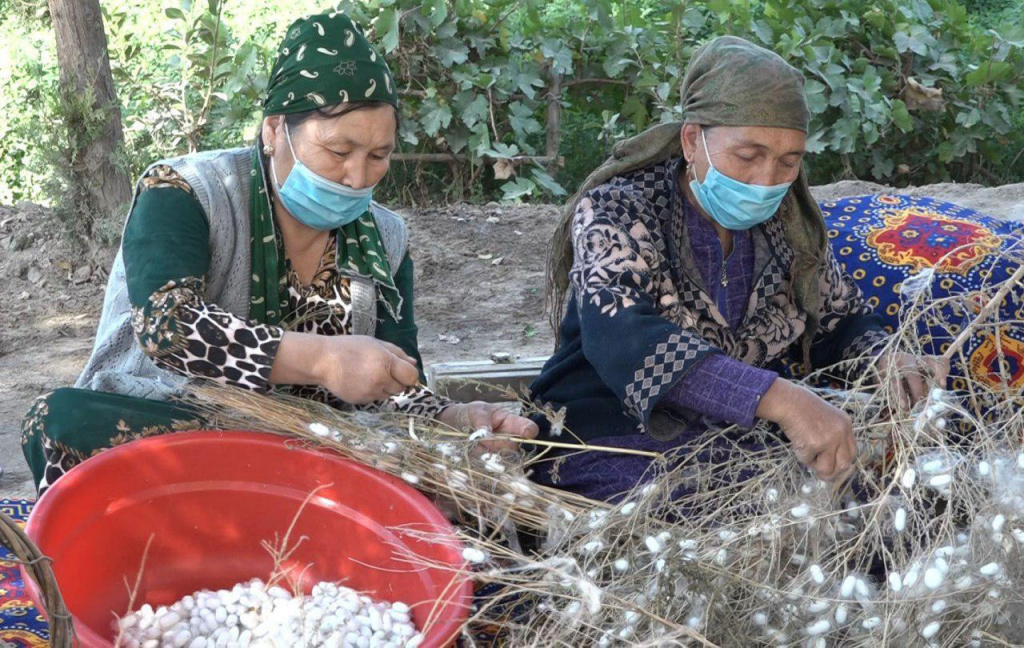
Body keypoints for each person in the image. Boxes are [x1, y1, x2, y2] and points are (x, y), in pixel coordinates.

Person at [22, 12, 536, 495]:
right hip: (180, 429)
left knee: (439, 483)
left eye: (379, 156)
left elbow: (397, 387)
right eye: (339, 151)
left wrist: (452, 421)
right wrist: (323, 360)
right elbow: (170, 330)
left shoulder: (386, 238)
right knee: (60, 423)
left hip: (318, 446)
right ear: (274, 131)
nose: (358, 177)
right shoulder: (186, 192)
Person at [529, 36, 947, 503]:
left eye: (789, 162)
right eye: (748, 156)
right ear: (693, 139)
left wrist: (884, 358)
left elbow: (836, 319)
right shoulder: (618, 210)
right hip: (609, 437)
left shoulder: (790, 225)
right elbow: (626, 340)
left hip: (739, 437)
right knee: (731, 517)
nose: (767, 180)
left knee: (892, 510)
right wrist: (782, 400)